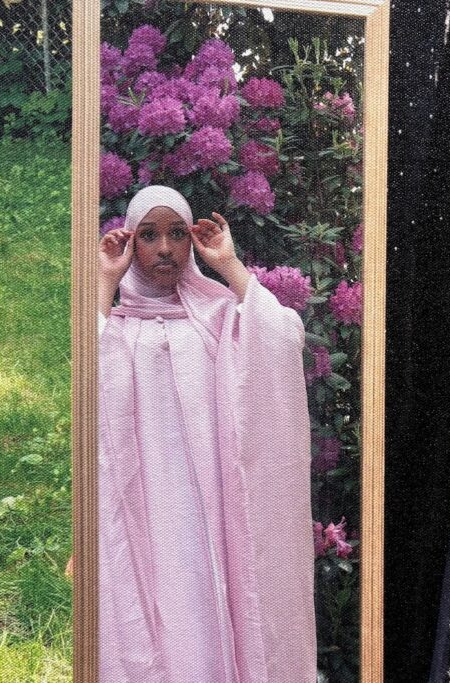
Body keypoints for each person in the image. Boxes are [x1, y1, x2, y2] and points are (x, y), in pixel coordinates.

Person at [96, 185, 317, 682]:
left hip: (212, 519)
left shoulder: (214, 317)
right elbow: (87, 381)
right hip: (142, 513)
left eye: (177, 234)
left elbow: (282, 335)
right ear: (130, 244)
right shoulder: (113, 323)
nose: (165, 249)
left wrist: (230, 266)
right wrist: (103, 284)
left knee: (206, 604)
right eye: (148, 236)